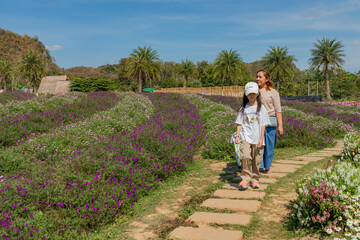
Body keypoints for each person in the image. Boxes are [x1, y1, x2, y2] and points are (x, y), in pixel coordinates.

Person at [235, 82, 270, 190]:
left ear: (258, 93)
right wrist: (237, 136)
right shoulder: (244, 108)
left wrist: (261, 138)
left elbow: (263, 124)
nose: (252, 95)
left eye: (254, 93)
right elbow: (239, 123)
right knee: (245, 156)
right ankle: (245, 178)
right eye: (249, 93)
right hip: (245, 137)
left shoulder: (261, 108)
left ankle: (254, 179)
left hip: (257, 137)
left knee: (256, 159)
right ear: (246, 94)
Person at [256, 69, 283, 174]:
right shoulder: (254, 91)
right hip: (257, 123)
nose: (257, 79)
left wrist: (280, 125)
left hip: (269, 122)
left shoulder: (273, 92)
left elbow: (278, 110)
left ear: (267, 79)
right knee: (258, 144)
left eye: (260, 77)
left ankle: (267, 166)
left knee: (269, 144)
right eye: (257, 76)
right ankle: (259, 165)